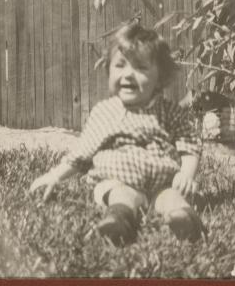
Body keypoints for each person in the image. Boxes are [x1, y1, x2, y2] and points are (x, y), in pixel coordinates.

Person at [30, 22, 205, 246]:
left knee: (171, 197)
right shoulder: (105, 112)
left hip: (163, 183)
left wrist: (186, 175)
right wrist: (54, 176)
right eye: (120, 65)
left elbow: (189, 145)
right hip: (116, 180)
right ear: (109, 70)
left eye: (140, 67)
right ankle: (118, 220)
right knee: (121, 194)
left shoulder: (170, 112)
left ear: (160, 78)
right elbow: (81, 154)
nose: (128, 75)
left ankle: (183, 220)